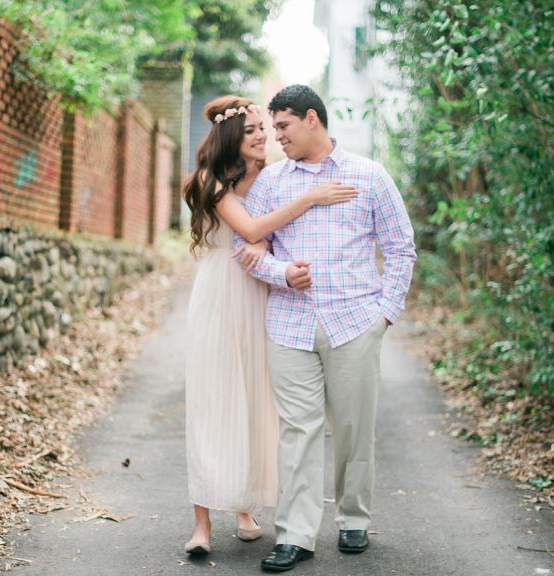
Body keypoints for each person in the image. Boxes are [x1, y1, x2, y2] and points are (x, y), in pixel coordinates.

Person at [234, 85, 416, 572]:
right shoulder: (272, 182)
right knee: (298, 431)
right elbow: (247, 247)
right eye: (273, 129)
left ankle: (353, 519)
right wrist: (281, 273)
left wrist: (385, 315)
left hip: (355, 323)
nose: (277, 137)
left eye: (283, 127)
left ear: (311, 119)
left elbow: (401, 247)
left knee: (354, 428)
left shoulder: (370, 176)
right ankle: (294, 534)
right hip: (289, 324)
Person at [182, 95, 358, 556]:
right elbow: (252, 228)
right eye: (254, 129)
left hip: (263, 294)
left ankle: (245, 508)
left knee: (258, 401)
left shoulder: (270, 176)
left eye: (266, 127)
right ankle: (201, 523)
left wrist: (275, 255)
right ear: (231, 139)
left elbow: (272, 237)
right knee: (213, 398)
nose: (264, 136)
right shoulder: (209, 179)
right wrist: (310, 197)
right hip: (221, 294)